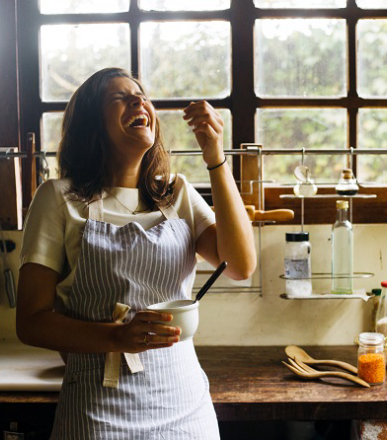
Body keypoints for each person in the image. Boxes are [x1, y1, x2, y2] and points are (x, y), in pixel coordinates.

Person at [16, 67, 256, 439]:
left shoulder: (177, 194)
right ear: (91, 124)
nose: (138, 101)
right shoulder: (58, 198)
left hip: (184, 406)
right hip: (98, 409)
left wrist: (215, 157)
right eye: (119, 97)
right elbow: (30, 321)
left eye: (141, 95)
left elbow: (241, 265)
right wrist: (116, 337)